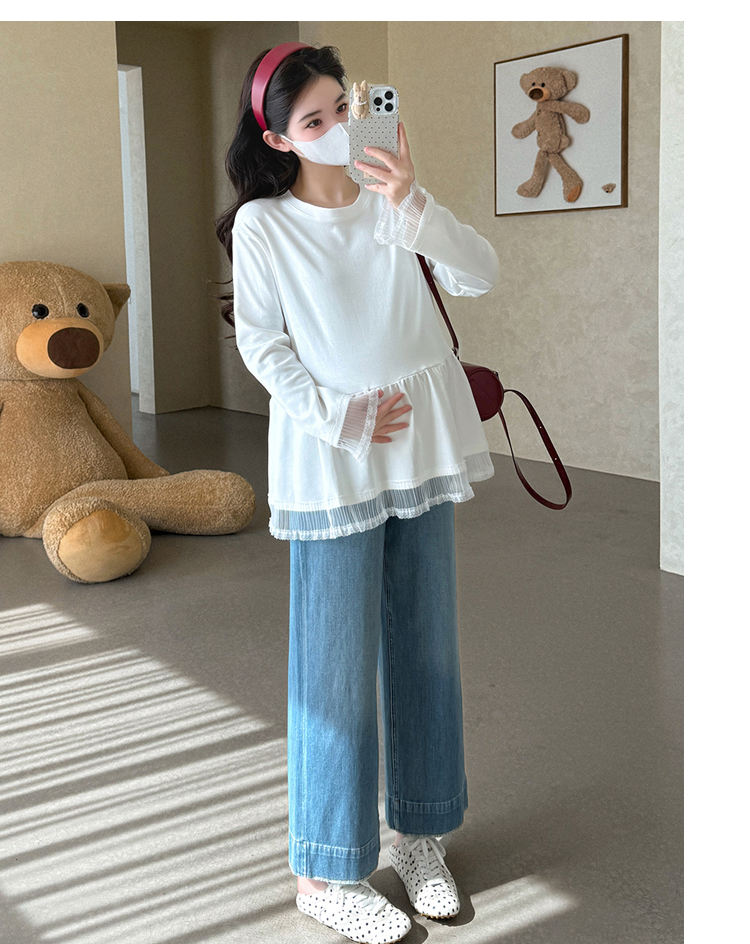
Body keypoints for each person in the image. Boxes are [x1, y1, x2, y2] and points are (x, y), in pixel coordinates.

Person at [216, 41, 499, 944]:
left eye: (345, 107)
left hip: (419, 447)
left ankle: (420, 836)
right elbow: (263, 344)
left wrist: (410, 201)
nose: (338, 127)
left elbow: (479, 273)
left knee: (427, 646)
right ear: (279, 138)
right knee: (333, 666)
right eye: (316, 119)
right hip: (333, 451)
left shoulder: (393, 205)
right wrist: (337, 418)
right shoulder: (264, 225)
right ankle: (325, 871)